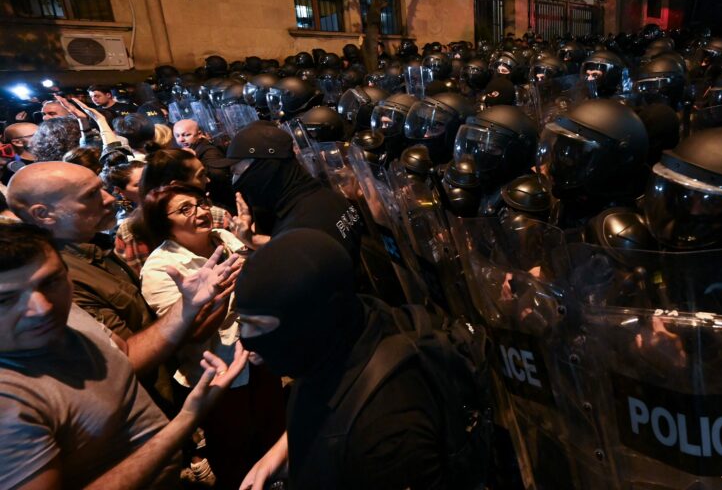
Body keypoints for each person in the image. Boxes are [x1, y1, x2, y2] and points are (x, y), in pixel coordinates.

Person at [0, 221, 247, 489]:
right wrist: (185, 421)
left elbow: (124, 355)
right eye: (6, 299)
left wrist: (187, 307)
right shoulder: (8, 399)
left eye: (50, 281)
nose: (42, 307)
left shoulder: (66, 312)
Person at [237, 229, 443, 490]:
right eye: (243, 324)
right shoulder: (342, 339)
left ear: (314, 320)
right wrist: (284, 450)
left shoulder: (386, 434)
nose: (245, 339)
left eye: (258, 326)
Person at [141, 184, 285, 488]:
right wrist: (223, 292)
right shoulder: (161, 268)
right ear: (163, 221)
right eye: (185, 209)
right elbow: (191, 335)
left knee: (276, 432)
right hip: (216, 375)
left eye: (201, 203)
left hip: (259, 352)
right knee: (236, 453)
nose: (201, 211)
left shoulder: (224, 238)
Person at [218, 121, 364, 263]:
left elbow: (298, 247)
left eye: (236, 171)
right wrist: (251, 239)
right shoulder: (326, 197)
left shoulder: (302, 221)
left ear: (265, 168)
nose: (234, 180)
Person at [173, 118, 234, 210]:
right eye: (177, 136)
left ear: (199, 134)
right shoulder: (193, 150)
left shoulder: (208, 151)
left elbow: (218, 175)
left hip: (222, 203)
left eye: (186, 135)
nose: (181, 139)